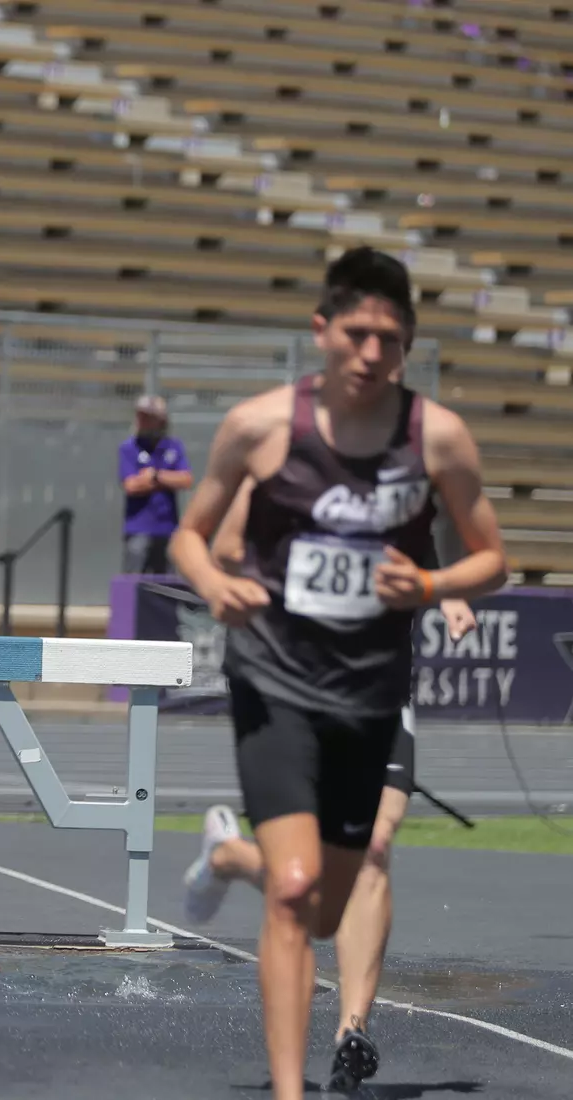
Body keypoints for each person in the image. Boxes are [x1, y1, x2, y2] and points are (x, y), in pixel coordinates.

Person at [168, 247, 507, 1100]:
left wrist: (429, 583)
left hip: (369, 696)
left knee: (325, 905)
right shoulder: (261, 426)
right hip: (275, 681)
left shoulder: (438, 437)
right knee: (295, 890)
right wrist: (215, 584)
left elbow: (494, 559)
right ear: (322, 331)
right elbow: (189, 534)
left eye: (390, 341)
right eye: (357, 334)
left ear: (408, 347)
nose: (371, 354)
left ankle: (229, 857)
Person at [185, 456, 478, 1092]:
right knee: (306, 886)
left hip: (377, 684)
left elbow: (433, 551)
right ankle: (233, 856)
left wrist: (447, 593)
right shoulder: (280, 449)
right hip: (293, 682)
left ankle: (353, 1030)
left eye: (393, 352)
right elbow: (225, 544)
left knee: (375, 844)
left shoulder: (412, 457)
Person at [119, 394, 193, 574]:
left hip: (167, 529)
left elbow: (185, 479)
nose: (141, 421)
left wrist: (155, 476)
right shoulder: (129, 448)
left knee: (167, 585)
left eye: (147, 416)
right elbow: (131, 486)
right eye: (139, 415)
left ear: (160, 420)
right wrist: (168, 480)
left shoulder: (173, 447)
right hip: (139, 529)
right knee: (133, 584)